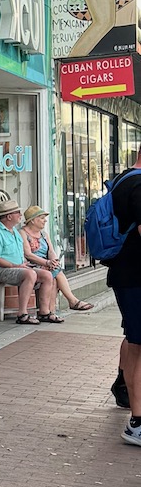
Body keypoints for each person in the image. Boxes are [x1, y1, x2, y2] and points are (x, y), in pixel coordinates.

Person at [103, 165, 141, 446]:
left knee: (134, 342)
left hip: (126, 275)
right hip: (136, 277)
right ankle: (137, 422)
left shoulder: (123, 180)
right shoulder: (138, 185)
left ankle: (132, 407)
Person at [0, 203, 55, 322]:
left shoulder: (15, 231)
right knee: (30, 274)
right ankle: (22, 314)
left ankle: (44, 312)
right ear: (9, 216)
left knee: (47, 275)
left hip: (19, 267)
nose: (20, 215)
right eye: (17, 213)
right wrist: (15, 265)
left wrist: (23, 264)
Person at [20, 206, 93, 314]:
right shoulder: (23, 233)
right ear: (33, 220)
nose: (45, 220)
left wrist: (54, 260)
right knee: (55, 273)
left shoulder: (44, 234)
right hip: (32, 264)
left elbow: (50, 250)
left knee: (54, 276)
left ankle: (51, 311)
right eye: (41, 218)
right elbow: (28, 254)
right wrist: (47, 262)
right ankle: (71, 301)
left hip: (46, 264)